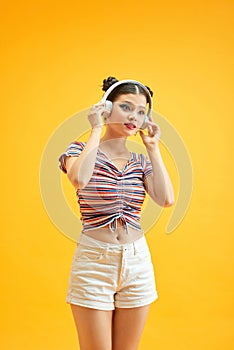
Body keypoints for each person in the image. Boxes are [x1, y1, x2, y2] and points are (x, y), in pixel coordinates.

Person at [58, 76, 174, 350]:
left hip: (137, 263)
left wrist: (153, 149)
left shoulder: (140, 162)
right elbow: (80, 180)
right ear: (106, 107)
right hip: (94, 262)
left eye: (141, 111)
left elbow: (166, 199)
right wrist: (96, 131)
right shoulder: (77, 150)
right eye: (126, 107)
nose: (134, 116)